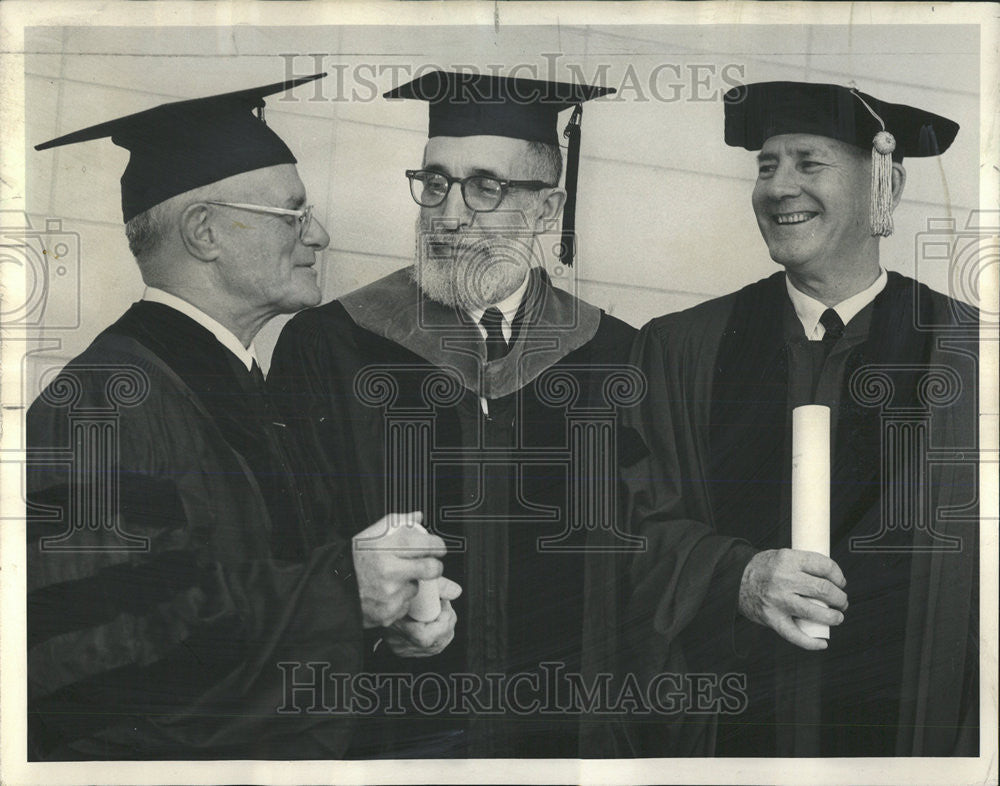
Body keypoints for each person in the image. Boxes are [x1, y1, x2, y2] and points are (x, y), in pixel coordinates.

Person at [27, 74, 452, 760]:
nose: (320, 234)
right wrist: (346, 593)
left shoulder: (245, 388)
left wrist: (381, 617)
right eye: (293, 212)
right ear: (205, 233)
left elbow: (238, 607)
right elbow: (93, 663)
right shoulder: (102, 401)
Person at [268, 71, 640, 758]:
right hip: (383, 727)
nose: (450, 212)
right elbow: (287, 542)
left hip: (562, 731)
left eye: (485, 186)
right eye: (435, 182)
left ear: (547, 207)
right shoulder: (333, 343)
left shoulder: (616, 356)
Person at [622, 80, 979, 757]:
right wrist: (738, 577)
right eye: (766, 165)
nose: (778, 187)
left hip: (915, 739)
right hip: (733, 733)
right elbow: (629, 528)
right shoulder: (681, 347)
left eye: (808, 163)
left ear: (886, 187)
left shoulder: (967, 351)